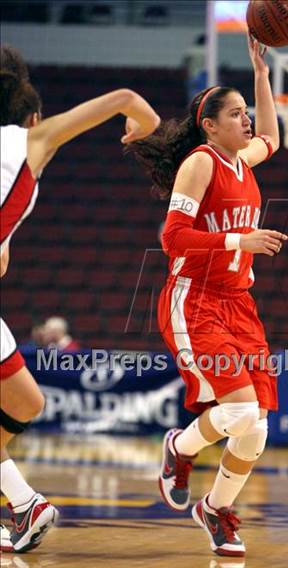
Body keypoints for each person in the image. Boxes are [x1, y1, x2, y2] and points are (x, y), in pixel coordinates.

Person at [0, 44, 160, 553]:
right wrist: (147, 122)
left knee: (26, 401)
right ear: (33, 117)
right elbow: (125, 97)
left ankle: (24, 505)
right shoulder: (33, 139)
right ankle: (25, 504)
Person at [130, 35, 286, 557]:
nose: (247, 122)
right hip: (195, 299)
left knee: (256, 429)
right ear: (211, 125)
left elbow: (272, 136)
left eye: (246, 113)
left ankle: (215, 510)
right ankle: (179, 447)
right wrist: (240, 239)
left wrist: (261, 76)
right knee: (239, 414)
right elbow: (172, 239)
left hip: (239, 302)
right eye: (236, 113)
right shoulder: (201, 163)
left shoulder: (246, 161)